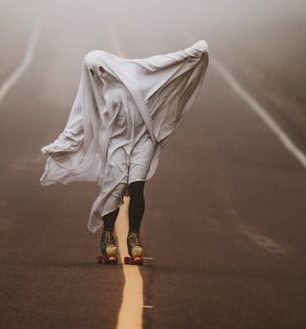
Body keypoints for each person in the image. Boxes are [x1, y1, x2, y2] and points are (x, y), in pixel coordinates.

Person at [40, 40, 209, 261]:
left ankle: (134, 237)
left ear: (106, 64)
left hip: (143, 139)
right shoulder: (99, 92)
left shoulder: (137, 71)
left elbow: (163, 64)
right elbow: (79, 121)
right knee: (115, 187)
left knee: (137, 186)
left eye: (99, 68)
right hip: (117, 142)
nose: (98, 74)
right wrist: (59, 146)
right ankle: (108, 235)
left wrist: (194, 52)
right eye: (92, 72)